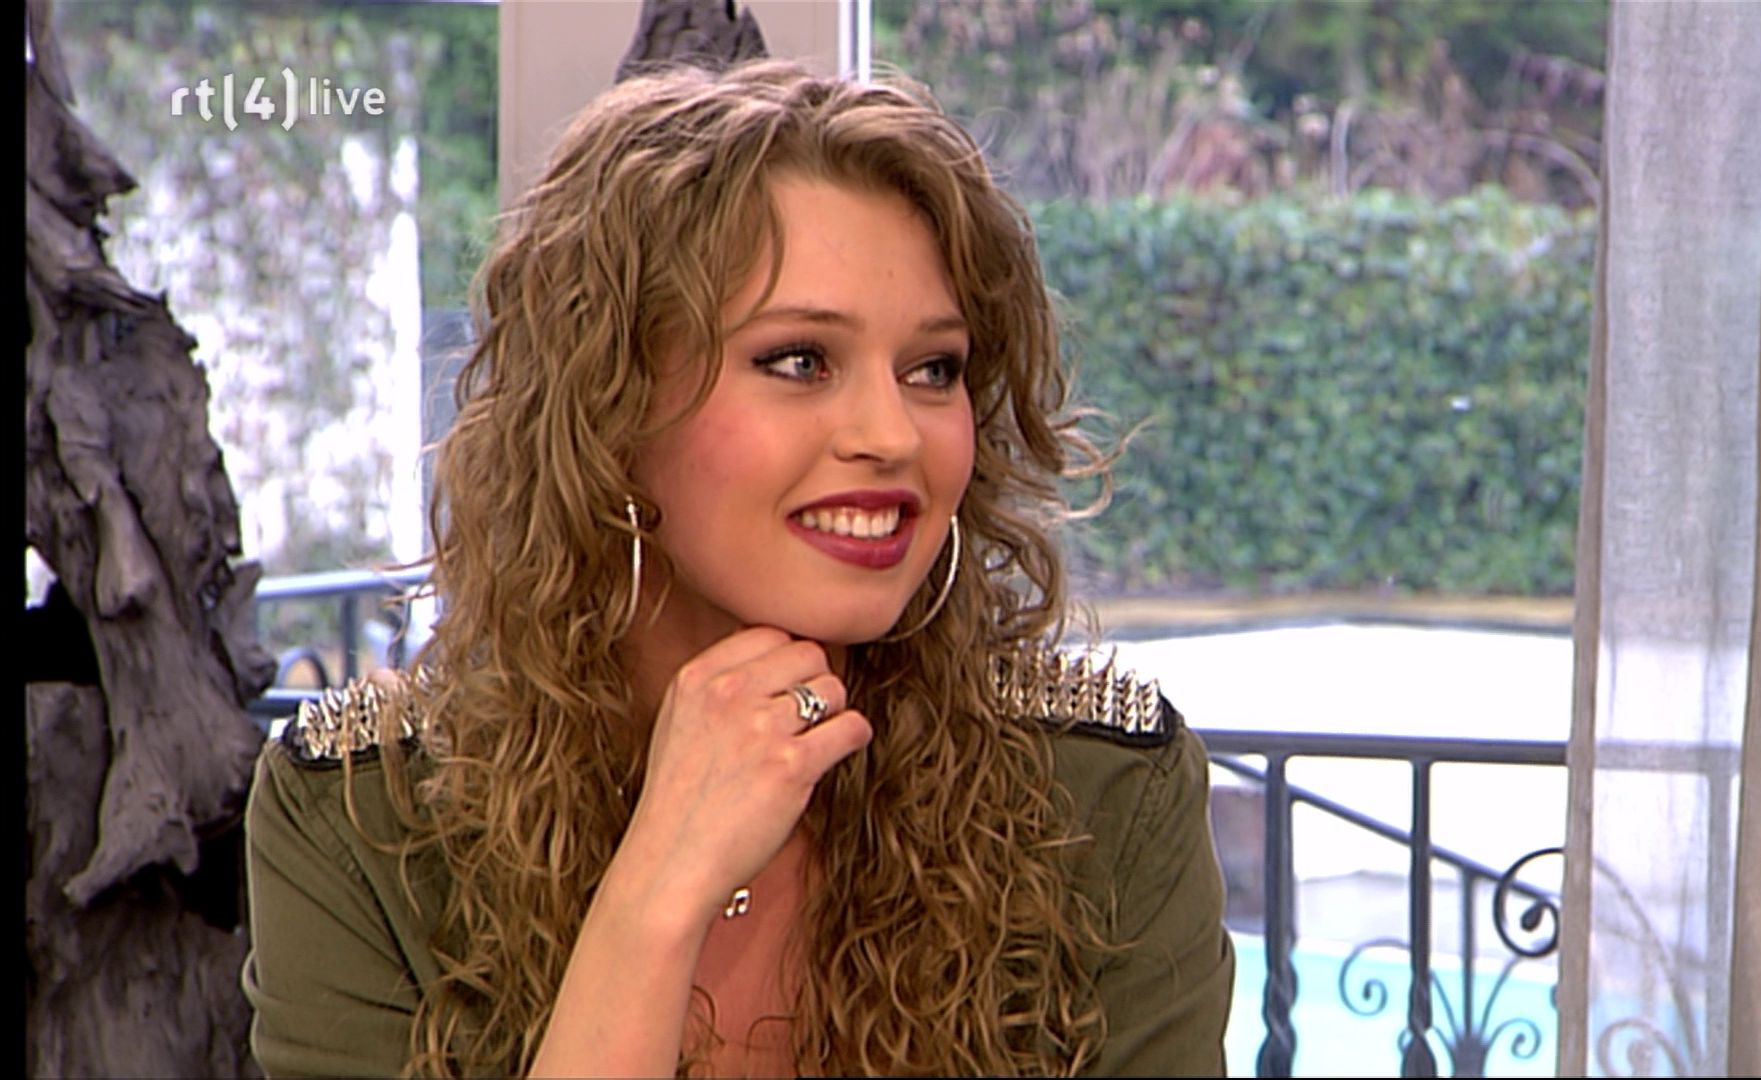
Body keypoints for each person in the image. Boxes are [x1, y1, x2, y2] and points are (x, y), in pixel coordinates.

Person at [242, 59, 1233, 1078]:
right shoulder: (363, 823)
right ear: (609, 410)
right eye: (800, 360)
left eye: (932, 369)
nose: (894, 434)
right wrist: (657, 896)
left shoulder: (1103, 797)